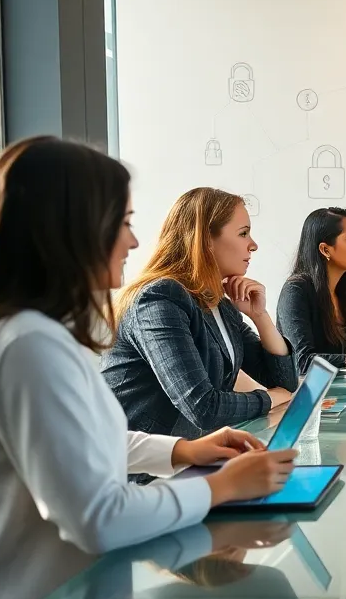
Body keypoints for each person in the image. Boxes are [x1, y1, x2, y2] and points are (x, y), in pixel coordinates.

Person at [0, 138, 297, 599]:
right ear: (70, 230)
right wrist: (222, 488)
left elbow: (79, 444)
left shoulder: (15, 334)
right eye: (124, 222)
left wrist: (183, 453)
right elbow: (98, 519)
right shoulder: (27, 347)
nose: (134, 241)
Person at [103, 187, 299, 440]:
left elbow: (285, 381)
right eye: (243, 234)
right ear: (206, 240)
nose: (254, 245)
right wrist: (271, 398)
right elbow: (203, 407)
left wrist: (260, 316)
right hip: (138, 469)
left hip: (188, 455)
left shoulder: (221, 307)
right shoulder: (160, 298)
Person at [277, 207, 346, 373]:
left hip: (340, 393)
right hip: (310, 394)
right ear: (325, 249)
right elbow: (302, 361)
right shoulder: (296, 290)